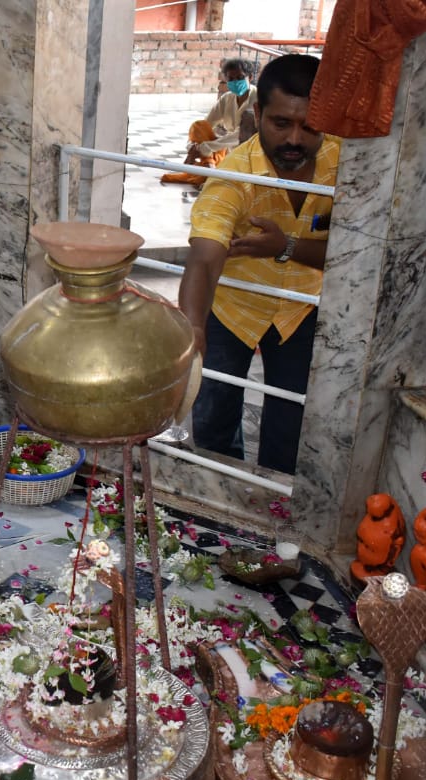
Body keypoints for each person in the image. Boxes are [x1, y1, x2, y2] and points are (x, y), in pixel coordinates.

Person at [177, 53, 339, 474]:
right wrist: (194, 325)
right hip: (233, 308)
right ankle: (219, 495)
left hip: (302, 308)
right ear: (258, 114)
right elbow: (204, 259)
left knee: (291, 423)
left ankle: (274, 506)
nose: (295, 139)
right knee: (213, 419)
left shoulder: (347, 166)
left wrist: (286, 246)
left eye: (310, 126)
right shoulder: (234, 177)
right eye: (281, 123)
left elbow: (357, 250)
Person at [161, 58, 257, 186]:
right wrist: (192, 146)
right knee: (198, 126)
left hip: (250, 151)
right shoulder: (227, 98)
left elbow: (240, 135)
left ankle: (209, 170)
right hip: (227, 150)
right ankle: (209, 165)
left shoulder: (258, 98)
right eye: (231, 79)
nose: (235, 82)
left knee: (219, 177)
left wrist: (205, 147)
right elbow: (207, 124)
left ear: (250, 77)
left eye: (240, 78)